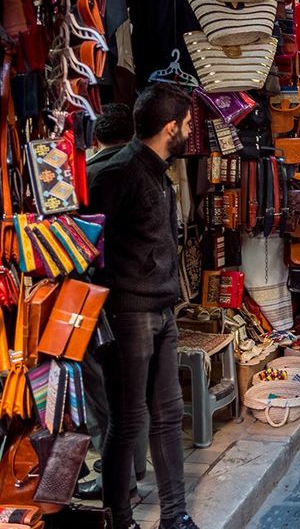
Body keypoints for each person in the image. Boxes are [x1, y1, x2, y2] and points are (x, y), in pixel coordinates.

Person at [87, 84, 200, 529]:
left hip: (160, 309)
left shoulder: (155, 171)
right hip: (128, 313)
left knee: (167, 416)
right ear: (170, 128)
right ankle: (121, 519)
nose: (190, 131)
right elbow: (87, 243)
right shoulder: (118, 173)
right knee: (128, 420)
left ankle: (175, 515)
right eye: (187, 124)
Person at [77, 104, 144, 502]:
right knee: (132, 389)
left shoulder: (92, 177)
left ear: (96, 137)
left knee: (102, 392)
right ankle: (134, 467)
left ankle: (117, 478)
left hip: (101, 298)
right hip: (140, 298)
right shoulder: (149, 172)